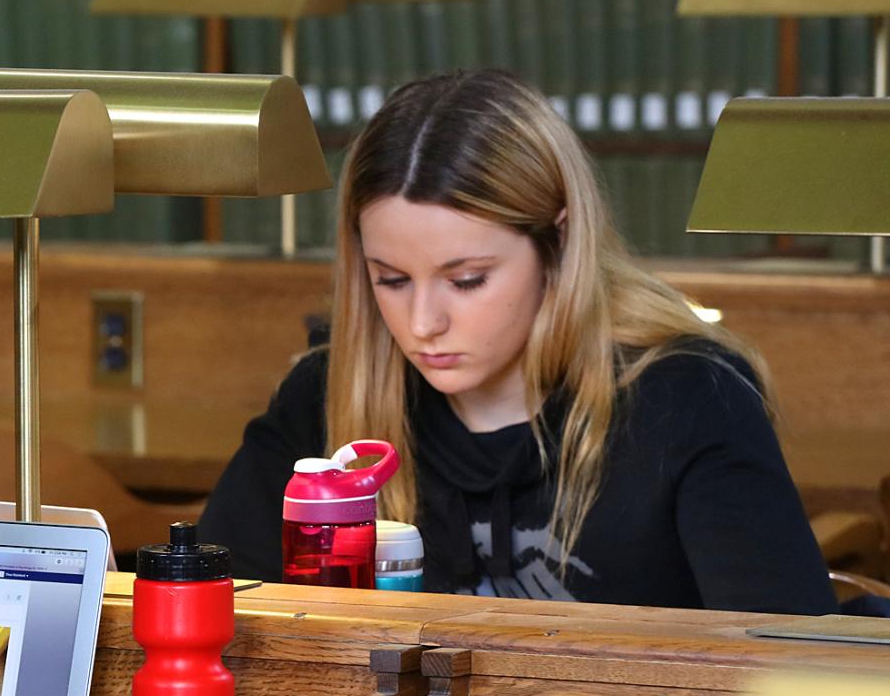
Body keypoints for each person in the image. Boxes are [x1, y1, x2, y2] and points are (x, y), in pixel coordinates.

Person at [201, 69, 835, 615]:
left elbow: (790, 665)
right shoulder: (325, 397)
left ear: (557, 242)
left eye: (467, 280)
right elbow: (210, 605)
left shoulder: (688, 399)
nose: (423, 322)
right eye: (390, 280)